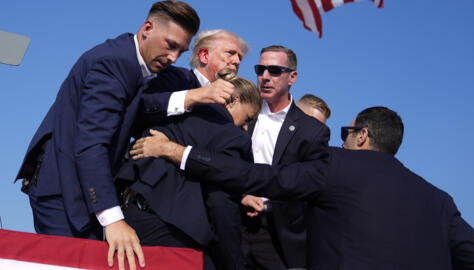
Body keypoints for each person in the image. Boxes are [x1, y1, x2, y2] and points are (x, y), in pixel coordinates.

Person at [138, 106, 474, 269]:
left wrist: (177, 152)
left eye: (348, 131)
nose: (343, 138)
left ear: (362, 135)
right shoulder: (440, 200)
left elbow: (257, 177)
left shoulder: (333, 167)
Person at [14, 2, 211, 270]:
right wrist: (113, 218)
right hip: (63, 192)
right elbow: (92, 144)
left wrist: (190, 97)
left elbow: (138, 106)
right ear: (147, 28)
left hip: (82, 193)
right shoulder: (113, 63)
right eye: (170, 45)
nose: (174, 57)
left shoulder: (130, 62)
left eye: (181, 51)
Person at [119, 68, 261, 270]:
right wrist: (233, 261)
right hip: (174, 234)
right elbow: (220, 201)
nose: (246, 128)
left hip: (128, 216)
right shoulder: (234, 137)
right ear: (234, 100)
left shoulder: (179, 111)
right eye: (248, 118)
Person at [236, 45, 329, 269]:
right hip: (232, 224)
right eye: (260, 70)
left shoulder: (312, 131)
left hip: (279, 237)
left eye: (275, 71)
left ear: (292, 77)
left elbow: (310, 185)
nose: (265, 77)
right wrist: (240, 194)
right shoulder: (239, 114)